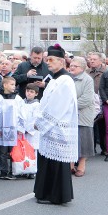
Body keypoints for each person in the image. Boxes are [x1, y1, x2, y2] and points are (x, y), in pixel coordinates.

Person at [34, 44, 78, 205]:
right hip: (50, 127)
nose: (48, 63)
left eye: (51, 60)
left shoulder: (65, 80)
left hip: (57, 127)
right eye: (47, 60)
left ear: (61, 61)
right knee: (47, 161)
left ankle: (56, 195)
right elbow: (46, 102)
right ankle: (44, 192)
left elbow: (58, 106)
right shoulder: (55, 79)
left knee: (56, 164)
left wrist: (42, 122)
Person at [68, 57, 95, 176]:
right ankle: (70, 164)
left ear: (83, 68)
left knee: (83, 139)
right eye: (71, 65)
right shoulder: (67, 79)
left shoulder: (87, 80)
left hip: (83, 114)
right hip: (69, 115)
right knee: (71, 139)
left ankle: (82, 164)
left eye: (75, 66)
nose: (72, 67)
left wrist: (69, 106)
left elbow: (87, 99)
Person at [0, 76, 24, 180]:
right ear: (5, 85)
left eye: (14, 85)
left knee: (13, 151)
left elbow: (21, 114)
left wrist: (20, 128)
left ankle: (13, 171)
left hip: (14, 130)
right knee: (3, 152)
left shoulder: (18, 99)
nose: (13, 87)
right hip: (2, 129)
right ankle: (3, 171)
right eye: (11, 84)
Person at [88, 52, 107, 154]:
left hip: (103, 101)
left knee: (103, 127)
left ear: (100, 61)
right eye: (90, 59)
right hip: (90, 102)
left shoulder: (106, 71)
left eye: (94, 59)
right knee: (91, 127)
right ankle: (92, 148)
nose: (91, 61)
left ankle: (105, 148)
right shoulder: (87, 72)